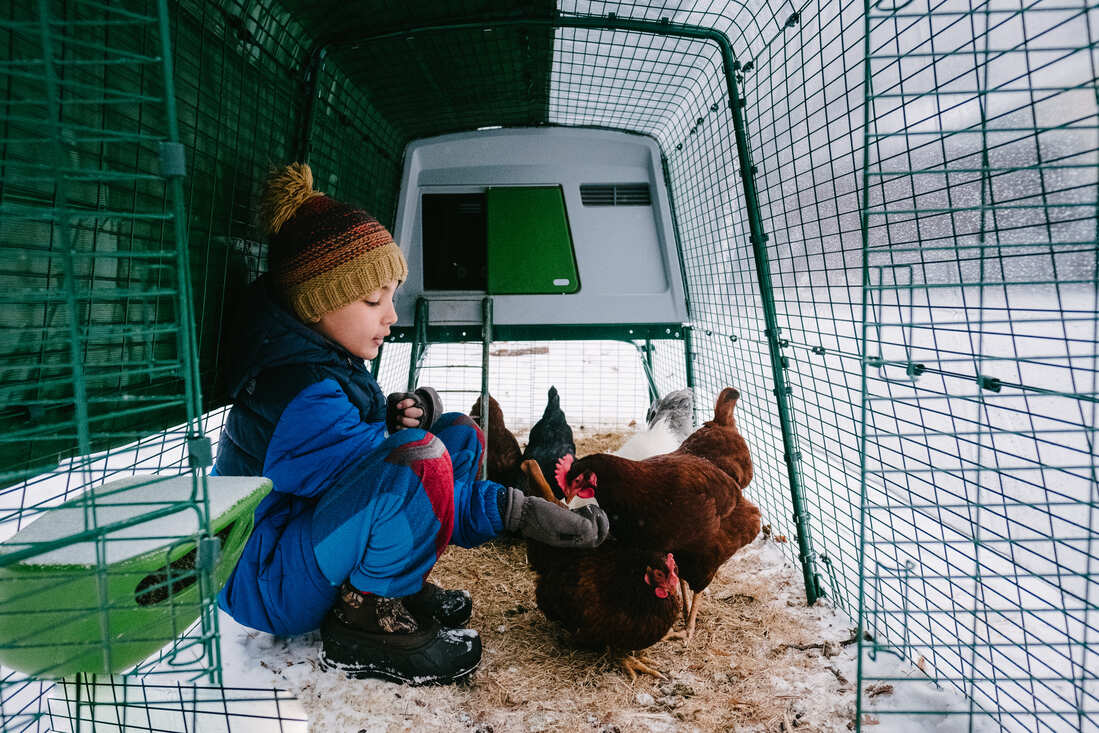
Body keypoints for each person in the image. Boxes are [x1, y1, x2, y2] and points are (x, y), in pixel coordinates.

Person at [212, 163, 609, 685]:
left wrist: (391, 418)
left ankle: (391, 584)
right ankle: (367, 624)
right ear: (317, 304)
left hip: (293, 549)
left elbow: (364, 465)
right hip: (266, 579)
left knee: (460, 435)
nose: (391, 316)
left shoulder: (320, 363)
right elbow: (399, 479)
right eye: (373, 300)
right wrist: (518, 511)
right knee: (420, 459)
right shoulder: (300, 389)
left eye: (392, 298)